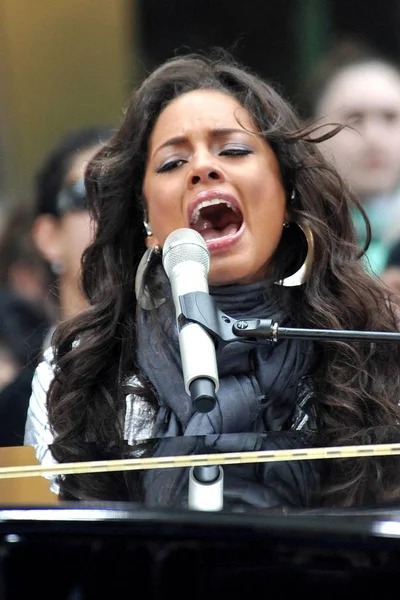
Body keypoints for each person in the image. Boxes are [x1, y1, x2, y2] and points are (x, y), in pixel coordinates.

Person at [24, 51, 400, 508]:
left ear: (288, 194)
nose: (203, 168)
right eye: (171, 163)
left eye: (234, 150)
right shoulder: (78, 374)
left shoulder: (373, 350)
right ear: (146, 220)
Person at [307, 41, 400, 275]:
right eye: (354, 118)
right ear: (311, 131)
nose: (373, 137)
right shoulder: (288, 240)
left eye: (390, 118)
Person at [31, 126, 113, 340]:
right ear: (49, 237)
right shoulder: (35, 373)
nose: (114, 210)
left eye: (127, 191)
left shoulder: (184, 362)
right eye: (89, 192)